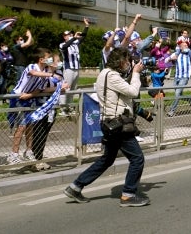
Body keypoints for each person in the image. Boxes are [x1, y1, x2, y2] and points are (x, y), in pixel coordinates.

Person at [64, 47, 150, 207]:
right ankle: (128, 194)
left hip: (109, 123)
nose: (128, 64)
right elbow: (132, 92)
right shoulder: (113, 77)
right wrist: (136, 73)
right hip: (119, 125)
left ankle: (75, 186)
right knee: (137, 158)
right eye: (127, 61)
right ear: (120, 61)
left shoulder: (105, 74)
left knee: (107, 159)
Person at [7, 48, 58, 165]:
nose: (50, 60)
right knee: (21, 126)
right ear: (41, 59)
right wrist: (51, 74)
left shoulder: (45, 71)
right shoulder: (32, 67)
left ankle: (29, 150)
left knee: (30, 126)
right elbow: (34, 74)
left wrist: (29, 95)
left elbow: (40, 89)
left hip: (29, 98)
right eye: (48, 58)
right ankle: (14, 153)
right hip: (18, 97)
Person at [59, 17, 90, 115]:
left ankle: (69, 107)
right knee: (66, 88)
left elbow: (83, 37)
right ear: (64, 37)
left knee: (73, 89)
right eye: (69, 34)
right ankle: (63, 108)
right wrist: (73, 38)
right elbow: (65, 46)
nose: (71, 35)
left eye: (71, 34)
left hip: (76, 69)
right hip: (68, 69)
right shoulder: (62, 44)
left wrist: (86, 26)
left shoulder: (75, 43)